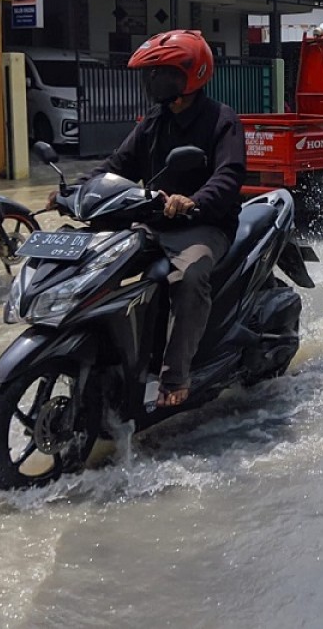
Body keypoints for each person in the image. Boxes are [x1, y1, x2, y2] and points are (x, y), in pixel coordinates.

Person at [53, 30, 246, 407]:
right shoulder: (153, 122)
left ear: (191, 75)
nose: (152, 82)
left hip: (204, 225)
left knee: (189, 277)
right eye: (151, 74)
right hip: (154, 221)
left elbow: (229, 175)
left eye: (162, 74)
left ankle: (175, 378)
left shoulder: (221, 120)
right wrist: (74, 190)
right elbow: (116, 165)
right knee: (97, 263)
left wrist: (192, 201)